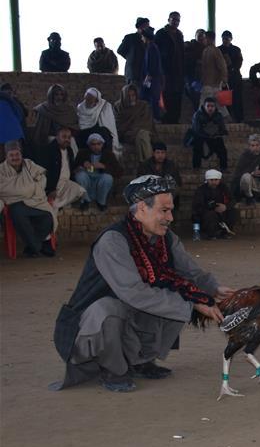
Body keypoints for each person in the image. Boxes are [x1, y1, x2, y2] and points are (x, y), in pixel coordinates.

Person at [52, 174, 231, 392]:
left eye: (170, 210)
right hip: (86, 330)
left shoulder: (166, 239)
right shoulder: (112, 241)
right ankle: (113, 369)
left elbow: (191, 273)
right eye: (164, 210)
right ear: (141, 209)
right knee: (109, 309)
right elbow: (134, 293)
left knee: (181, 293)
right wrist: (191, 304)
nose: (170, 217)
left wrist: (214, 289)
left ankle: (139, 361)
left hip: (126, 315)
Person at [0, 142, 56, 258]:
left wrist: (31, 190)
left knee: (48, 217)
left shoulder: (29, 165)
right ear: (6, 156)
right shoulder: (2, 170)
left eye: (17, 154)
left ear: (21, 155)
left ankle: (32, 247)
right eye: (11, 155)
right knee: (18, 214)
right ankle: (39, 247)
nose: (15, 158)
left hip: (35, 201)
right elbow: (5, 189)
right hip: (15, 204)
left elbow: (42, 179)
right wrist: (30, 188)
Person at [40, 126, 86, 212]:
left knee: (80, 191)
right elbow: (45, 172)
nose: (67, 140)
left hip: (66, 182)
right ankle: (54, 204)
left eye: (69, 137)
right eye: (64, 137)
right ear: (57, 137)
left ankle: (56, 204)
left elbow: (71, 166)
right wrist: (51, 189)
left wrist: (77, 169)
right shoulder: (49, 150)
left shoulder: (69, 150)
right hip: (54, 184)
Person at [73, 133, 121, 212]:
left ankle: (101, 202)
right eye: (93, 144)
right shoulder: (82, 153)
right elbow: (74, 168)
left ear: (102, 144)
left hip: (100, 181)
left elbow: (119, 171)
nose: (96, 147)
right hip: (87, 180)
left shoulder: (108, 154)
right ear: (89, 145)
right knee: (80, 176)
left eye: (98, 144)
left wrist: (104, 167)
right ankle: (85, 200)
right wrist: (82, 165)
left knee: (107, 178)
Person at [155, 11, 185, 124]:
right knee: (167, 94)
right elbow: (156, 52)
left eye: (178, 20)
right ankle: (166, 118)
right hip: (166, 70)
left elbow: (182, 53)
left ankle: (175, 118)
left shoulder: (179, 34)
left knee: (177, 95)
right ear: (168, 20)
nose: (175, 22)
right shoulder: (161, 33)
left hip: (178, 71)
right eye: (173, 19)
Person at [114, 83, 155, 164]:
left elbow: (146, 122)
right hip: (127, 135)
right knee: (142, 136)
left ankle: (145, 165)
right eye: (129, 96)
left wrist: (135, 130)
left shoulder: (143, 105)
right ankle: (150, 165)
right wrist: (131, 131)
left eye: (133, 95)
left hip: (141, 132)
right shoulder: (118, 106)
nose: (132, 98)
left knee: (142, 135)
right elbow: (118, 125)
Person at [192, 169, 237, 239]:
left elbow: (233, 200)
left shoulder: (223, 187)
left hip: (222, 212)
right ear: (207, 180)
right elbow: (197, 206)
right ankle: (210, 234)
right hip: (207, 213)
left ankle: (225, 233)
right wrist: (212, 207)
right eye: (211, 180)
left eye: (216, 180)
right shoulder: (201, 190)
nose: (214, 182)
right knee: (210, 215)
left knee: (232, 211)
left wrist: (225, 207)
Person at [233, 134, 260, 205]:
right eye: (252, 145)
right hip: (249, 181)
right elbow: (238, 173)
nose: (255, 147)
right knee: (246, 176)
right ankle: (249, 197)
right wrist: (252, 172)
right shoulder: (245, 155)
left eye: (257, 145)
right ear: (249, 146)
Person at [32, 84, 79, 149]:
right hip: (50, 138)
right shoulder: (44, 108)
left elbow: (74, 126)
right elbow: (41, 129)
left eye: (61, 95)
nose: (59, 97)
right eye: (56, 94)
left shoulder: (69, 110)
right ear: (51, 95)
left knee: (72, 142)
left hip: (67, 138)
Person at [137, 142, 182, 209]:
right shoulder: (145, 165)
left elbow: (177, 182)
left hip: (167, 196)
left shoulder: (171, 165)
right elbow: (140, 183)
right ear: (153, 153)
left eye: (162, 153)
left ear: (165, 154)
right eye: (158, 152)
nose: (160, 155)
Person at [76, 87, 121, 155]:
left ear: (97, 100)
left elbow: (109, 124)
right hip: (85, 132)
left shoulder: (104, 106)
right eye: (87, 98)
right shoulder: (81, 107)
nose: (89, 101)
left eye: (91, 99)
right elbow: (80, 124)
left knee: (104, 134)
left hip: (101, 131)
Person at [190, 97, 228, 171]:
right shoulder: (198, 115)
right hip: (201, 136)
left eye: (212, 106)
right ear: (204, 106)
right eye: (208, 106)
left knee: (222, 148)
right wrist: (207, 134)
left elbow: (222, 128)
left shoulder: (218, 115)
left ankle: (224, 167)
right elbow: (196, 129)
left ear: (215, 107)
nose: (210, 108)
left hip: (214, 136)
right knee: (197, 145)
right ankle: (196, 167)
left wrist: (216, 133)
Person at [199, 31, 230, 119]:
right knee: (218, 103)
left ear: (208, 39)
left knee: (204, 102)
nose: (203, 40)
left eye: (204, 38)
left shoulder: (213, 51)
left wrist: (224, 79)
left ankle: (199, 120)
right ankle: (227, 118)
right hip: (211, 82)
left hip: (212, 83)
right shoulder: (208, 50)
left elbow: (222, 65)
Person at [218, 30, 244, 122]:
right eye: (224, 38)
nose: (225, 40)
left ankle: (239, 119)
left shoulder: (236, 50)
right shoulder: (218, 50)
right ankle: (226, 119)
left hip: (235, 77)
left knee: (237, 99)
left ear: (231, 39)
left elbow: (239, 62)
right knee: (225, 101)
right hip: (224, 78)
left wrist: (232, 68)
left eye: (227, 39)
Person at [139, 27, 164, 121]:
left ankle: (154, 118)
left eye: (142, 37)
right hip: (153, 78)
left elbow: (152, 64)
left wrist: (148, 77)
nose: (142, 39)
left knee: (151, 98)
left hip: (151, 79)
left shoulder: (151, 48)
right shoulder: (152, 47)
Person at [117, 17, 150, 85]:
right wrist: (131, 57)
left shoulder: (150, 40)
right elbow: (120, 50)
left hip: (146, 74)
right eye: (145, 26)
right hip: (133, 74)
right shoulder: (130, 38)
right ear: (139, 27)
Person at [183, 29, 206, 110]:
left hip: (201, 77)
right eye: (199, 36)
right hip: (192, 75)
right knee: (195, 96)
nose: (201, 38)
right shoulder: (190, 46)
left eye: (203, 36)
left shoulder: (206, 48)